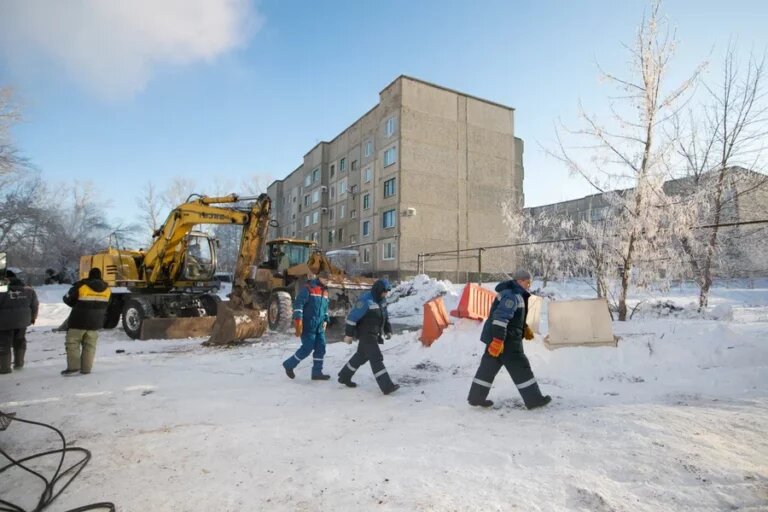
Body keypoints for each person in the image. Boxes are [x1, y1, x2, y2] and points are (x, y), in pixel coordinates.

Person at [467, 269, 551, 410]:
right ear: (520, 281)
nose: (529, 285)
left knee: (487, 368)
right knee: (521, 368)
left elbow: (512, 317)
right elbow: (500, 319)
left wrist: (522, 328)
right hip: (508, 341)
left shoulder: (513, 293)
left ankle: (476, 398)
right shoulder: (511, 295)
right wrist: (498, 341)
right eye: (527, 282)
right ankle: (534, 400)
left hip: (499, 338)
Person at [337, 278, 399, 395]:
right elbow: (352, 317)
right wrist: (349, 335)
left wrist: (387, 330)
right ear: (378, 290)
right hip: (365, 334)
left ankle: (344, 376)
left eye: (387, 291)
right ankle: (387, 386)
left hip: (374, 333)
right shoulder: (365, 300)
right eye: (384, 291)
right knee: (376, 357)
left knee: (361, 356)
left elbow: (385, 316)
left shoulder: (382, 300)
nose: (386, 293)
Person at [62, 268, 111, 376]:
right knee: (90, 346)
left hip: (78, 321)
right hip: (95, 323)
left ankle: (73, 368)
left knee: (73, 343)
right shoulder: (107, 289)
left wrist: (76, 304)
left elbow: (67, 299)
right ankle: (86, 369)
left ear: (89, 275)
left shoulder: (81, 286)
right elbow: (108, 304)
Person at [282, 276, 331, 380]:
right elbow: (298, 304)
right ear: (319, 277)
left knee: (321, 348)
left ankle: (317, 373)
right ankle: (289, 365)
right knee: (307, 348)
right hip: (308, 325)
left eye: (328, 279)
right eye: (325, 278)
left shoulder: (325, 291)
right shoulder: (308, 288)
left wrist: (326, 320)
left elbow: (325, 308)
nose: (327, 280)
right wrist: (298, 321)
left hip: (319, 327)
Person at [0, 270, 38, 374]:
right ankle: (19, 364)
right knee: (20, 340)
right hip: (23, 320)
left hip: (4, 322)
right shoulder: (28, 290)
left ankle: (4, 368)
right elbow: (34, 305)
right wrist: (33, 318)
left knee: (4, 343)